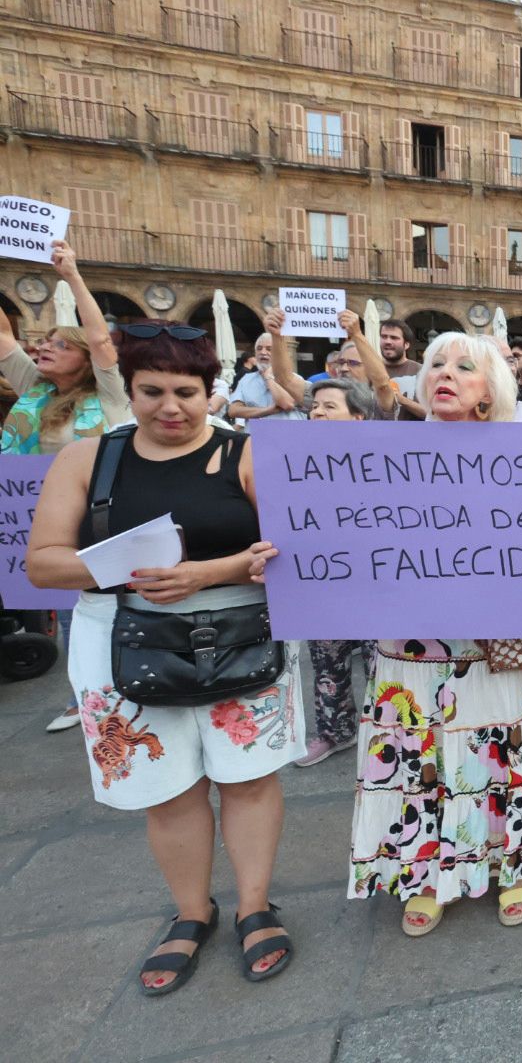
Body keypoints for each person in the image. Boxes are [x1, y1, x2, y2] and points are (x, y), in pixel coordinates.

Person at [273, 332, 522, 935]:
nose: (445, 373)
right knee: (417, 757)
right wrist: (289, 554)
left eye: (464, 366)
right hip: (407, 645)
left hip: (492, 645)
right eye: (436, 363)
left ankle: (514, 861)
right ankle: (425, 871)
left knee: (503, 752)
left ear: (489, 391)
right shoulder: (386, 455)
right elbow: (343, 531)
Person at [27, 321, 300, 994]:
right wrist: (130, 571)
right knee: (168, 788)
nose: (170, 407)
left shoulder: (249, 454)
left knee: (248, 777)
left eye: (186, 391)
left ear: (212, 391)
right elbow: (43, 563)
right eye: (152, 391)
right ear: (131, 387)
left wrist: (209, 572)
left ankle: (255, 904)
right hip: (124, 640)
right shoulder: (87, 460)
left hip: (240, 635)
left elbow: (294, 549)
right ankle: (190, 911)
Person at [1, 241, 134, 734]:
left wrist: (72, 274)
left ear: (84, 358)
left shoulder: (111, 391)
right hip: (47, 517)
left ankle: (124, 686)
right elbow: (3, 334)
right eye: (43, 343)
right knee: (70, 605)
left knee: (112, 604)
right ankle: (87, 695)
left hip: (105, 514)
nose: (43, 349)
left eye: (60, 344)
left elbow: (102, 340)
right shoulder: (34, 386)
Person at [290, 377, 380, 766]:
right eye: (315, 406)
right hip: (324, 583)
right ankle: (335, 731)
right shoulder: (294, 461)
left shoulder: (384, 460)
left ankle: (388, 730)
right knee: (327, 661)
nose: (318, 412)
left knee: (383, 661)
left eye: (329, 406)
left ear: (358, 416)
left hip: (379, 582)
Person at [265, 308, 399, 421]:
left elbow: (382, 383)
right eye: (341, 362)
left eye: (353, 363)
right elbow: (284, 379)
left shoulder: (378, 400)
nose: (344, 368)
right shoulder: (321, 395)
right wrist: (277, 336)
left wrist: (356, 334)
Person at [227, 334, 303, 423]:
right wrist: (268, 410)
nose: (263, 352)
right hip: (256, 435)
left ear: (280, 354)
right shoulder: (246, 380)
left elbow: (286, 404)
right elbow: (233, 411)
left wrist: (268, 376)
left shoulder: (293, 378)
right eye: (259, 348)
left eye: (269, 349)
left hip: (287, 434)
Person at [377, 319, 425, 419]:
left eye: (394, 338)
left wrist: (399, 398)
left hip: (410, 433)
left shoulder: (422, 372)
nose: (387, 341)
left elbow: (433, 414)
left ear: (406, 344)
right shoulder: (371, 370)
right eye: (384, 337)